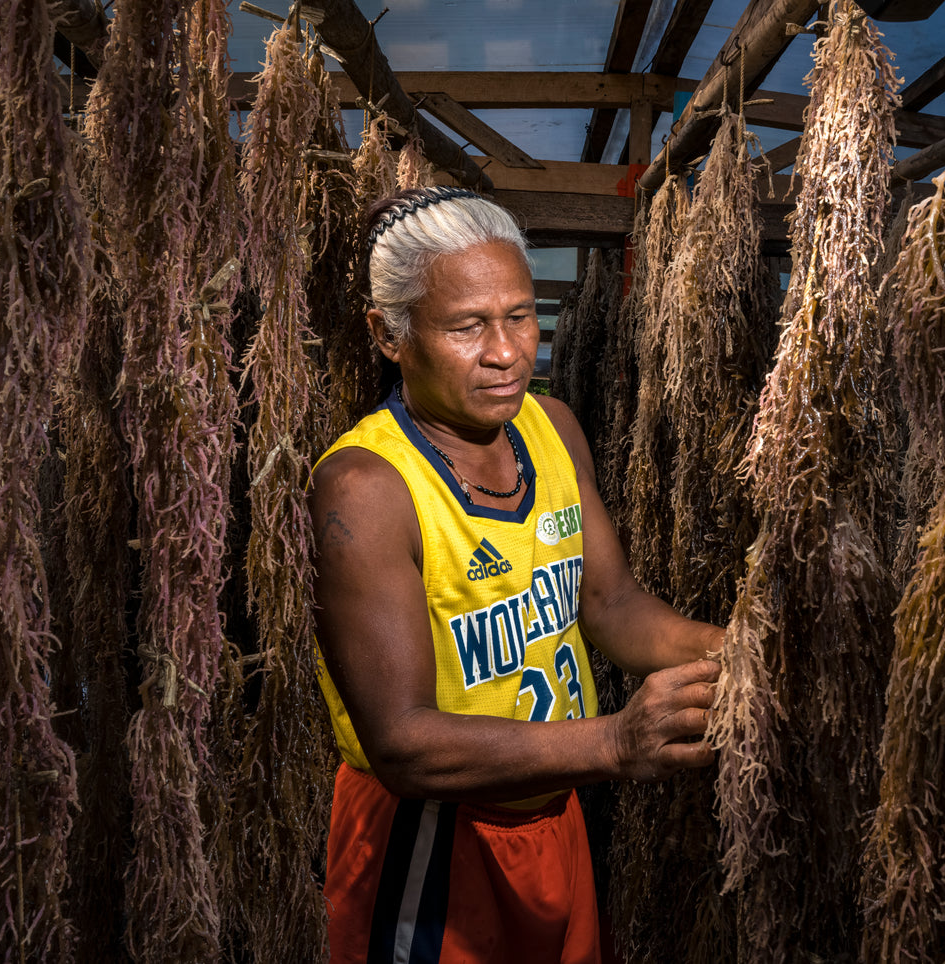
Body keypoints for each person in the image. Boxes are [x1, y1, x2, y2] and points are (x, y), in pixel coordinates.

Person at [310, 185, 724, 964]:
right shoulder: (366, 489)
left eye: (520, 315)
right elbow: (402, 745)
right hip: (433, 842)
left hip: (550, 815)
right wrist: (613, 743)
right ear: (390, 335)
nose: (506, 352)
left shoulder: (551, 425)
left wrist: (734, 652)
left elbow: (608, 603)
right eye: (467, 326)